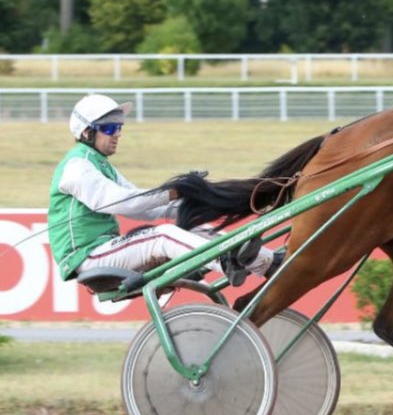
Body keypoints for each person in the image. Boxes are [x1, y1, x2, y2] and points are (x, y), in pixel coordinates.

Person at [48, 93, 279, 285]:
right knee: (163, 236)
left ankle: (269, 262)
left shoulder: (100, 164)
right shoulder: (77, 166)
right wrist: (173, 191)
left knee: (192, 226)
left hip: (105, 250)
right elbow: (124, 203)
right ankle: (226, 261)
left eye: (119, 127)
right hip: (86, 258)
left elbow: (145, 209)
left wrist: (195, 204)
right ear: (87, 132)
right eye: (109, 128)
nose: (117, 134)